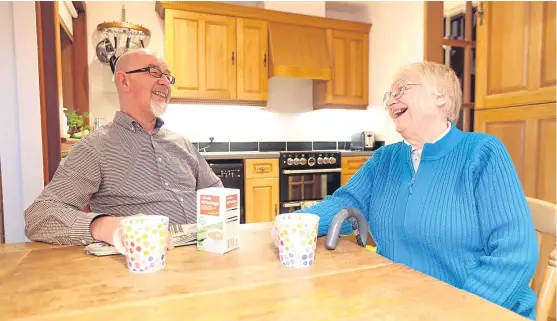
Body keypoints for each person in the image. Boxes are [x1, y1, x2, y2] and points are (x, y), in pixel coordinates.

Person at [301, 61, 539, 319]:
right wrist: (296, 222)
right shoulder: (385, 159)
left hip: (477, 311)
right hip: (403, 306)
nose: (391, 101)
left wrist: (461, 312)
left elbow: (516, 254)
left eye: (400, 89)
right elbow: (346, 204)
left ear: (441, 97)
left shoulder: (482, 153)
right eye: (389, 95)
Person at [25, 49, 223, 247]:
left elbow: (215, 190)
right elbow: (40, 215)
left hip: (203, 252)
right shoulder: (94, 147)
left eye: (167, 76)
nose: (164, 82)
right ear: (124, 81)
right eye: (154, 72)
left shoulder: (183, 143)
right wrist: (104, 226)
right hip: (143, 261)